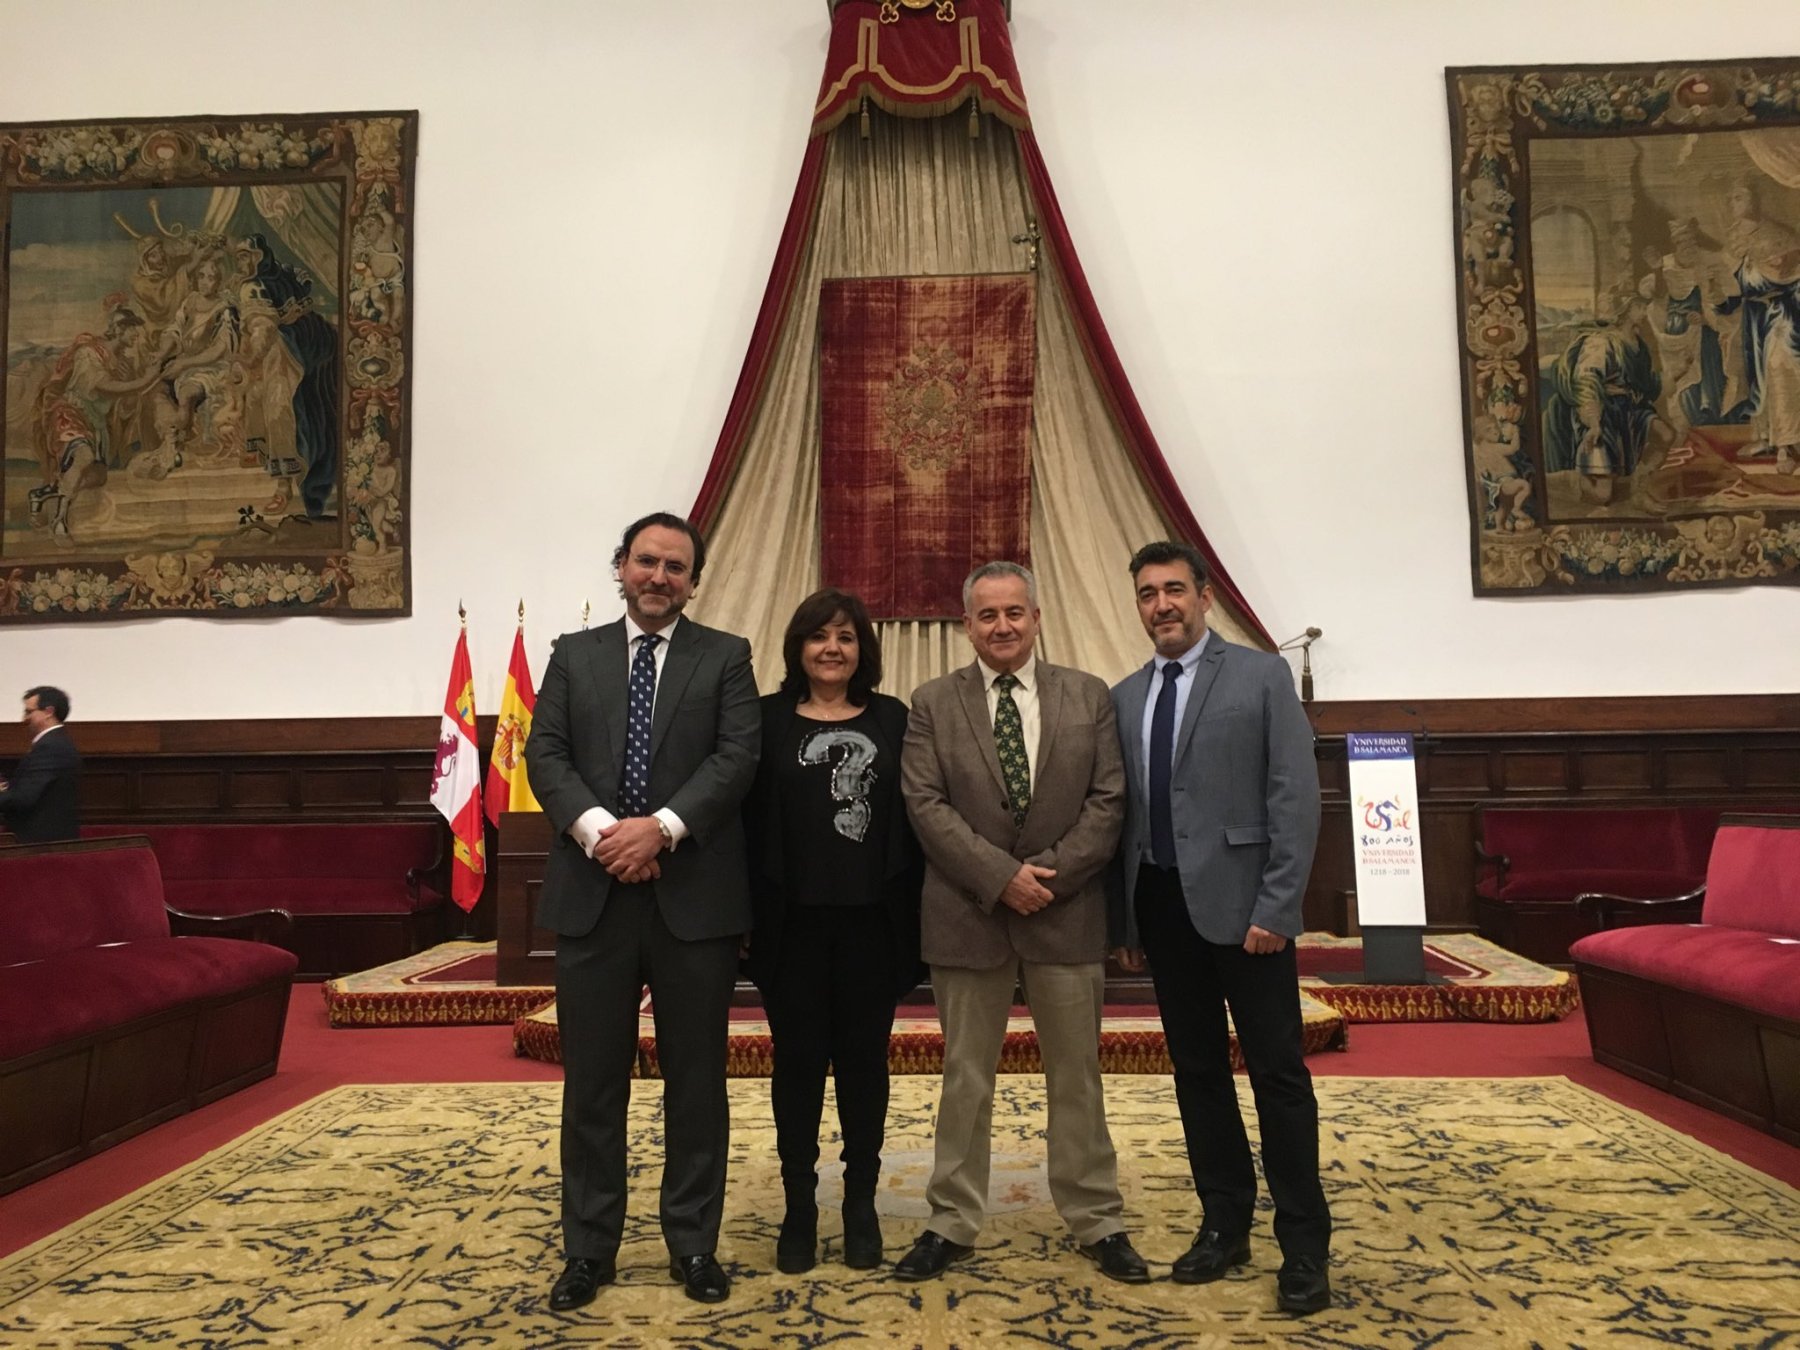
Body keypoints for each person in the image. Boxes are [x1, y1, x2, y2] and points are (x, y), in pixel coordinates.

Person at [526, 512, 759, 1309]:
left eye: (677, 567)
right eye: (647, 562)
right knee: (593, 1084)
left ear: (694, 580)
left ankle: (693, 1245)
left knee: (697, 1083)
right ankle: (589, 1249)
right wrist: (604, 837)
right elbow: (544, 755)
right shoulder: (571, 655)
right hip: (594, 899)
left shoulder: (726, 657)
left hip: (692, 899)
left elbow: (737, 759)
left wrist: (658, 829)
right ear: (621, 566)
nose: (660, 577)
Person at [894, 561, 1147, 1285]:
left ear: (1037, 618)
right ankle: (950, 1220)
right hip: (966, 917)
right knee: (965, 1078)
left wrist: (1048, 880)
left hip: (1066, 916)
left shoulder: (1088, 695)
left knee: (1078, 1077)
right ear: (965, 625)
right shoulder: (933, 703)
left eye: (1014, 613)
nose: (1001, 626)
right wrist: (1001, 879)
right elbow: (925, 806)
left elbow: (1109, 801)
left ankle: (1096, 1217)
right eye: (986, 615)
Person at [1108, 540, 1330, 1316]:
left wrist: (1277, 907)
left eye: (1173, 590)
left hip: (1249, 916)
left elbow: (1294, 801)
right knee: (1197, 1074)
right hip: (1166, 912)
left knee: (1277, 1076)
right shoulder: (1126, 696)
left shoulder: (1262, 677)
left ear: (1204, 597)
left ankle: (1304, 1247)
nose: (1161, 605)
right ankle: (1224, 1225)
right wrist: (1129, 917)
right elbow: (1127, 819)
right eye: (1146, 594)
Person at [743, 588, 924, 1275]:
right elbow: (743, 826)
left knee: (862, 1069)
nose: (832, 648)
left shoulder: (892, 718)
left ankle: (860, 1207)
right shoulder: (763, 721)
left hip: (872, 926)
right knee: (795, 1069)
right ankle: (798, 1208)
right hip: (790, 929)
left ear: (862, 649)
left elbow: (916, 817)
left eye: (845, 637)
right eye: (818, 636)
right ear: (797, 646)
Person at [0, 687, 81, 844]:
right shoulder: (55, 743)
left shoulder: (51, 747)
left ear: (48, 712)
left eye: (29, 712)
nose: (24, 718)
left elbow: (23, 799)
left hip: (39, 844)